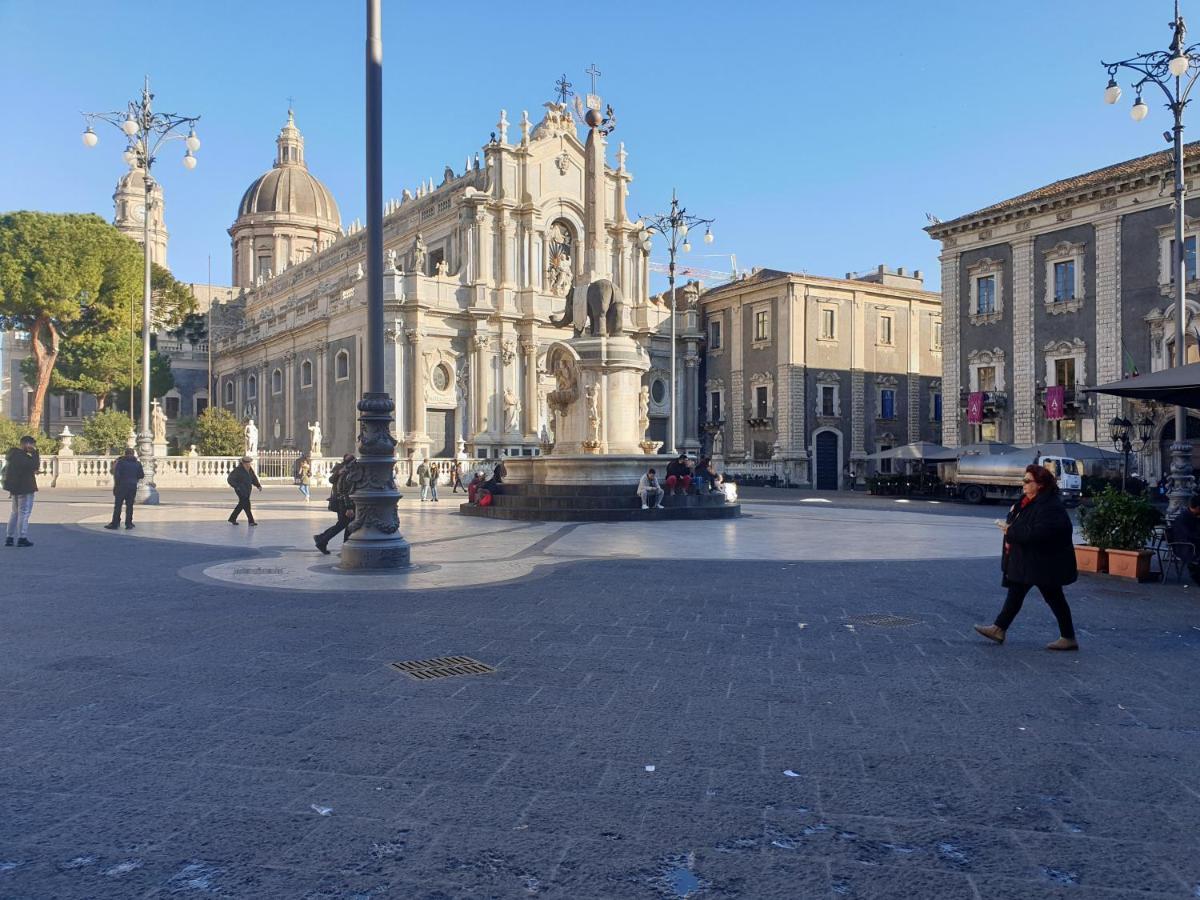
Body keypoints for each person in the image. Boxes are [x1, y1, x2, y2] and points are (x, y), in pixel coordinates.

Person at [975, 464, 1079, 651]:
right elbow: (1019, 521)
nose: (1023, 484)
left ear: (1040, 484)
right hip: (1030, 560)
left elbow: (1039, 533)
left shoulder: (1050, 506)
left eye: (1027, 481)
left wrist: (1010, 530)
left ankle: (1068, 637)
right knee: (1018, 591)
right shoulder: (1026, 501)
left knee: (1053, 597)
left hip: (1045, 562)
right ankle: (999, 629)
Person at [314, 453, 356, 554]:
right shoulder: (347, 472)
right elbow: (344, 490)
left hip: (341, 502)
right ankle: (322, 540)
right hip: (345, 503)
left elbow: (332, 480)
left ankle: (323, 539)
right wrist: (349, 507)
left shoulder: (342, 470)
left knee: (346, 525)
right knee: (344, 524)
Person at [4, 435, 39, 548]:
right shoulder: (23, 457)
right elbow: (35, 465)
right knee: (24, 513)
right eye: (32, 445)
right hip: (25, 488)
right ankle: (22, 538)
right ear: (27, 444)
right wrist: (35, 453)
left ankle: (9, 537)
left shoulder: (13, 455)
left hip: (15, 488)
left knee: (15, 513)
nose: (33, 447)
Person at [106, 448, 144, 530]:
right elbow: (141, 475)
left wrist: (116, 485)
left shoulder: (120, 463)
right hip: (132, 486)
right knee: (130, 505)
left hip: (121, 486)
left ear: (125, 453)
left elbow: (117, 475)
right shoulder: (137, 463)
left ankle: (115, 523)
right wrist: (134, 478)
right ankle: (129, 523)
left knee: (118, 506)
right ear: (133, 454)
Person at [1167, 493, 1200, 581]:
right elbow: (1189, 534)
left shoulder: (1192, 516)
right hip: (1185, 547)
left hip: (1191, 544)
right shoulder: (1184, 518)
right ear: (1197, 507)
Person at [227, 455, 263, 526]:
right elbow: (230, 479)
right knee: (246, 504)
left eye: (249, 463)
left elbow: (253, 478)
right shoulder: (238, 470)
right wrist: (237, 486)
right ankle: (251, 521)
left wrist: (258, 485)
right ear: (243, 463)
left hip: (247, 490)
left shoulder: (250, 470)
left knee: (242, 505)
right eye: (247, 463)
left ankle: (232, 518)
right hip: (240, 490)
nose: (248, 465)